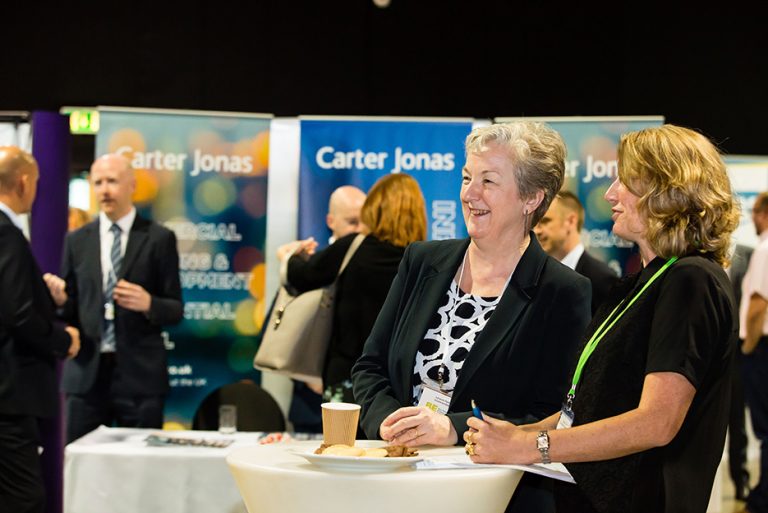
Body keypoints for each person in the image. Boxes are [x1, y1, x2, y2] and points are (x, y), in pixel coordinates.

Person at [465, 124, 740, 513]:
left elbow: (656, 422)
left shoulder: (691, 280)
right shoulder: (645, 282)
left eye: (626, 181)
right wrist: (517, 433)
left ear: (667, 192)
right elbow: (594, 404)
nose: (611, 194)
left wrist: (530, 446)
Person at [352, 121, 591, 512]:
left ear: (531, 198)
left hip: (497, 495)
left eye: (488, 181)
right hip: (398, 484)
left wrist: (453, 428)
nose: (469, 193)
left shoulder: (562, 291)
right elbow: (370, 365)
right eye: (466, 177)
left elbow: (552, 412)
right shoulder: (421, 261)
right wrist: (386, 419)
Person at [43, 153, 183, 443]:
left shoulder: (159, 238)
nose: (104, 190)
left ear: (131, 185)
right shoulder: (77, 240)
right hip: (87, 376)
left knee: (143, 469)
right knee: (83, 469)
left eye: (112, 181)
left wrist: (149, 304)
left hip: (140, 378)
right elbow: (70, 310)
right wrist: (59, 301)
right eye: (98, 183)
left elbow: (175, 310)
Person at [278, 173, 427, 404]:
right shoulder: (425, 260)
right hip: (399, 382)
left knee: (341, 440)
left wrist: (288, 255)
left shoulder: (354, 247)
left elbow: (299, 276)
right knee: (391, 440)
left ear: (375, 209)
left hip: (346, 377)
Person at [0, 146, 80, 513]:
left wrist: (43, 296)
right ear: (23, 182)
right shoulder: (7, 235)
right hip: (9, 396)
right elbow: (17, 315)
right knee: (24, 500)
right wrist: (63, 339)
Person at [288, 184, 366, 433]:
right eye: (353, 222)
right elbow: (284, 328)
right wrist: (309, 376)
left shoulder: (374, 265)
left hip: (357, 396)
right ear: (330, 221)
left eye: (365, 222)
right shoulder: (308, 268)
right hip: (311, 402)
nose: (360, 230)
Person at [535, 190, 619, 314]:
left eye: (545, 221)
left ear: (571, 221)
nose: (537, 231)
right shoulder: (535, 275)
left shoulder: (602, 279)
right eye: (535, 223)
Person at [741, 192, 768, 513]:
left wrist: (747, 347)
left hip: (761, 348)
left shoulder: (764, 249)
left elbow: (759, 304)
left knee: (764, 429)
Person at [729, 243, 754, 503]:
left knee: (738, 423)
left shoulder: (747, 254)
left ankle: (740, 481)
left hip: (737, 353)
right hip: (703, 355)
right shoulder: (691, 259)